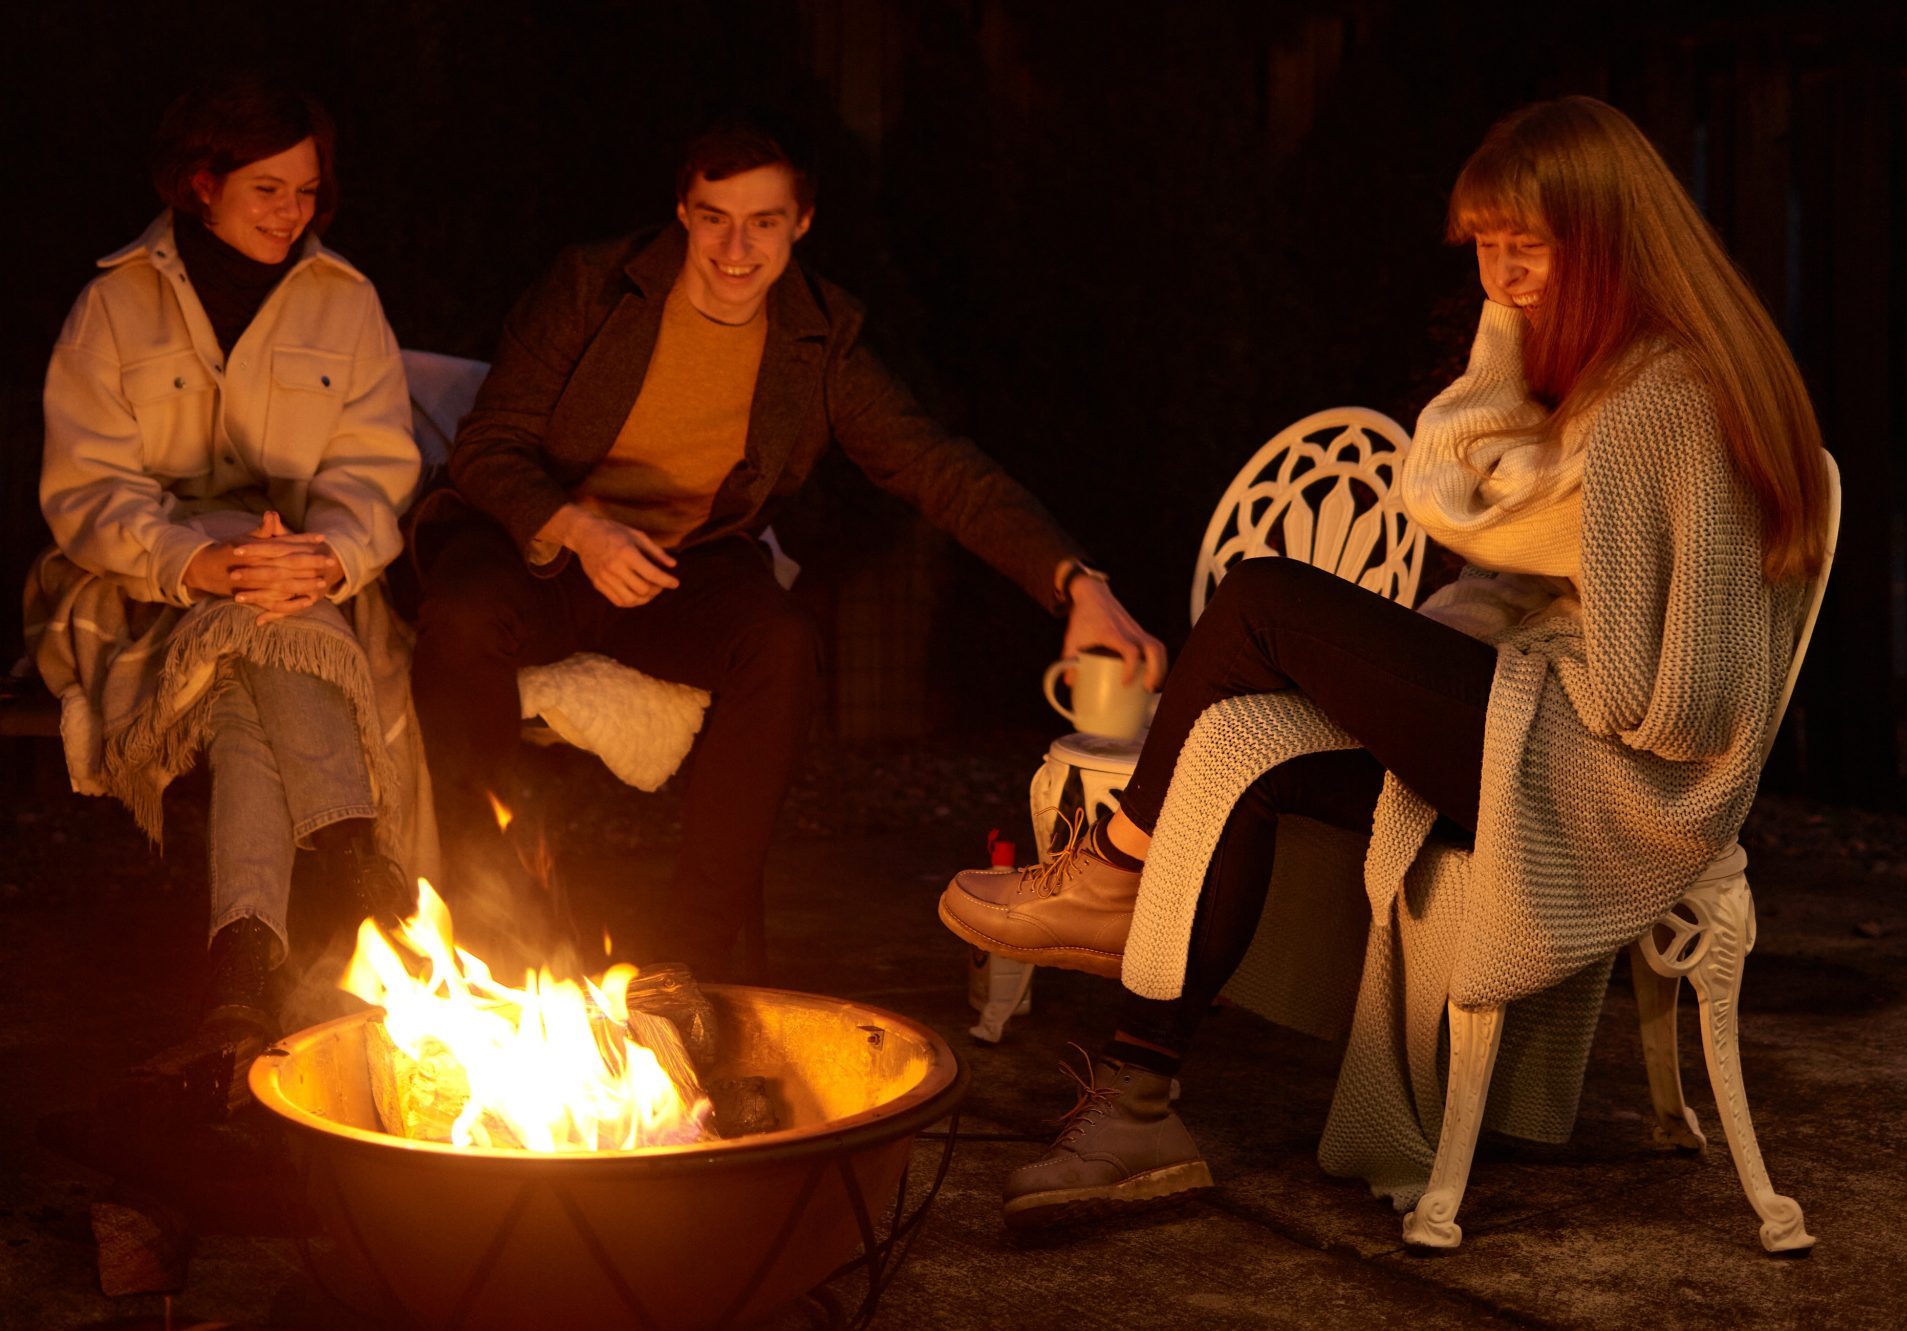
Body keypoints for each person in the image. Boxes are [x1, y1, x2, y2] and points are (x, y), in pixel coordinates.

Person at [939, 95, 1832, 1228]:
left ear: (1606, 235)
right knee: (1233, 742)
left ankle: (1114, 869)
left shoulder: (1668, 395)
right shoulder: (1608, 368)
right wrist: (1510, 337)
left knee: (1261, 599)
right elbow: (1458, 484)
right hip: (1535, 720)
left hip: (1603, 776)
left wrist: (1564, 637)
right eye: (1486, 250)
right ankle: (1138, 1108)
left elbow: (1685, 697)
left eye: (1528, 247)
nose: (1501, 279)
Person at [408, 112, 1164, 981]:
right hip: (534, 551)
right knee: (460, 616)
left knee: (781, 640)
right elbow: (487, 447)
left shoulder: (817, 339)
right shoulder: (592, 285)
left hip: (678, 566)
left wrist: (1077, 584)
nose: (737, 246)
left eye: (763, 222)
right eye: (714, 217)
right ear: (682, 213)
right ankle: (485, 928)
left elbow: (936, 467)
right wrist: (580, 528)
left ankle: (684, 968)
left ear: (799, 224)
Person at [26, 77, 425, 1071]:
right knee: (259, 633)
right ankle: (350, 852)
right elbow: (88, 490)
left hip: (304, 582)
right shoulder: (113, 305)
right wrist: (197, 561)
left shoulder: (346, 302)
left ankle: (242, 961)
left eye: (308, 192)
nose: (293, 213)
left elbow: (374, 469)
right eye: (268, 191)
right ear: (202, 183)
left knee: (264, 646)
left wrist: (326, 553)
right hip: (136, 588)